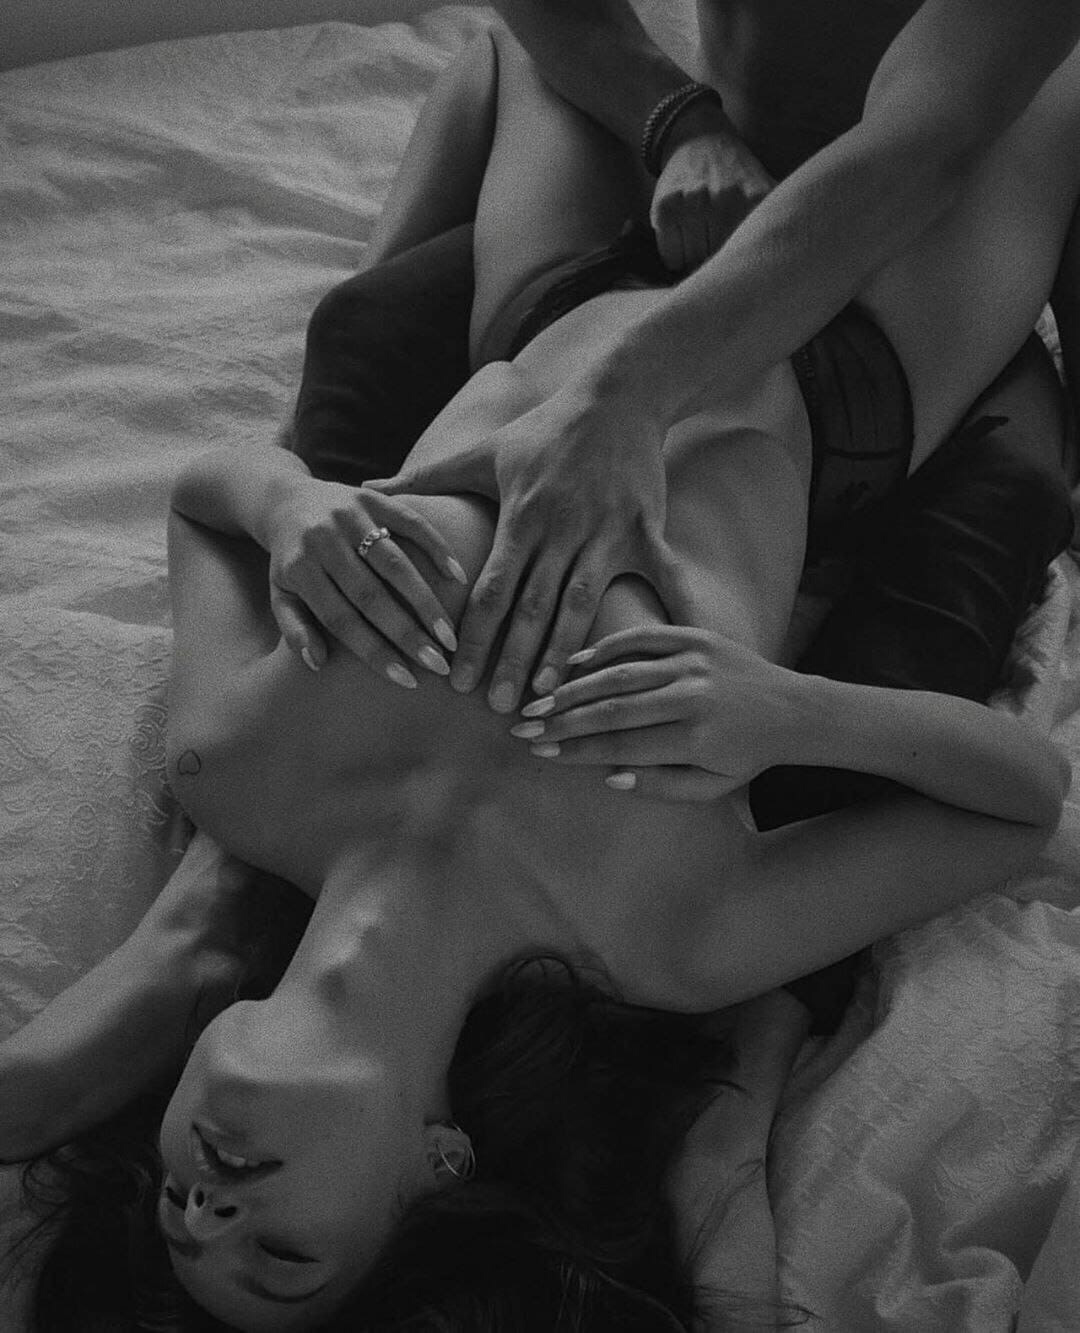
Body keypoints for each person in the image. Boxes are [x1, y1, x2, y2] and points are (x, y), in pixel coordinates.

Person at [4, 23, 1077, 1333]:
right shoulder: (667, 936)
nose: (212, 1210)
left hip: (554, 305)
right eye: (281, 1259)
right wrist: (789, 711)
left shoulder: (235, 771)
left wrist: (289, 507)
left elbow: (199, 498)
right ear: (437, 1166)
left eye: (177, 1211)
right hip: (833, 368)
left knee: (514, 47)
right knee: (1035, 88)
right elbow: (1020, 802)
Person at [290, 0, 1080, 720]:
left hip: (893, 235)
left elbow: (928, 148)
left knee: (1008, 507)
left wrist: (624, 396)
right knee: (367, 324)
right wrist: (682, 126)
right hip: (713, 216)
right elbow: (1013, 783)